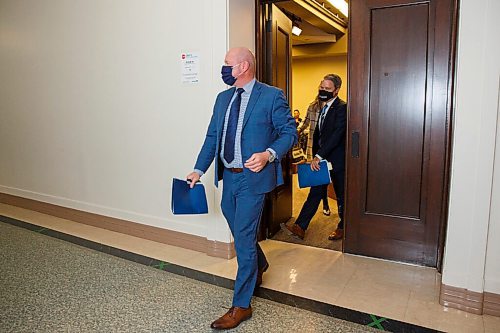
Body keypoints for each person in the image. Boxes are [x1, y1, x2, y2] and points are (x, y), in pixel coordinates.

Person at [186, 47, 297, 330]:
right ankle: (259, 264)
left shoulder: (271, 95)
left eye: (227, 63)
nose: (223, 68)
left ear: (243, 66)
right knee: (236, 225)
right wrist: (199, 170)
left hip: (253, 178)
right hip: (229, 177)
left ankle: (241, 305)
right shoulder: (223, 99)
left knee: (244, 239)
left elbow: (289, 133)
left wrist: (269, 154)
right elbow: (212, 137)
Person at [285, 74, 346, 241]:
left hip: (337, 161)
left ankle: (343, 227)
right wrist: (314, 156)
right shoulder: (321, 107)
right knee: (315, 191)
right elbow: (319, 135)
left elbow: (336, 136)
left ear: (336, 91)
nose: (323, 91)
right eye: (322, 87)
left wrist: (319, 156)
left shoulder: (342, 108)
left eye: (327, 89)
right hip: (321, 160)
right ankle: (300, 227)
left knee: (342, 194)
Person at [297, 88, 331, 216]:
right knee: (318, 180)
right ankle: (325, 203)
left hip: (328, 150)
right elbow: (304, 123)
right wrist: (295, 133)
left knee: (324, 179)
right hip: (313, 148)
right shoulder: (312, 107)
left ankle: (326, 203)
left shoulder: (335, 108)